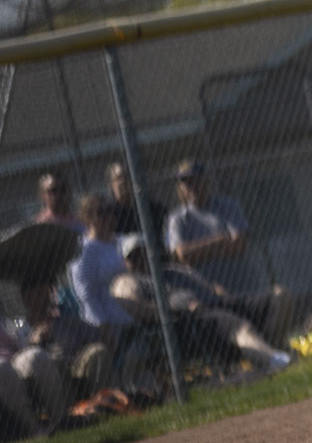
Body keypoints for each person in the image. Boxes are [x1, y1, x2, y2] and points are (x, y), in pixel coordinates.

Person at [111, 235, 291, 375]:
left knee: (279, 296)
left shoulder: (171, 269)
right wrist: (177, 311)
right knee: (238, 326)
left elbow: (209, 286)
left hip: (218, 304)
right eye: (133, 257)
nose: (140, 259)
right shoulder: (128, 280)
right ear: (125, 262)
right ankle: (274, 360)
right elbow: (134, 306)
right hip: (191, 322)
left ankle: (267, 349)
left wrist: (219, 292)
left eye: (143, 252)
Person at [163, 160, 258, 293]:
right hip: (202, 291)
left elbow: (239, 246)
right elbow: (183, 255)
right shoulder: (177, 218)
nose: (192, 186)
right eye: (187, 183)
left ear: (205, 180)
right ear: (181, 188)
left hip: (241, 284)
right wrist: (219, 241)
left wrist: (198, 253)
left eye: (195, 180)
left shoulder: (228, 206)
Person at [66, 195, 135, 332]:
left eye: (110, 210)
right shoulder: (85, 250)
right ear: (87, 218)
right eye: (101, 212)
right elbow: (86, 294)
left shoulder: (123, 241)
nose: (108, 216)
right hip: (109, 326)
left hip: (136, 319)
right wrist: (103, 327)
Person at [100, 161, 165, 240]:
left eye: (126, 177)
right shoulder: (109, 213)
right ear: (111, 183)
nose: (123, 181)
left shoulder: (148, 206)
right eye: (118, 178)